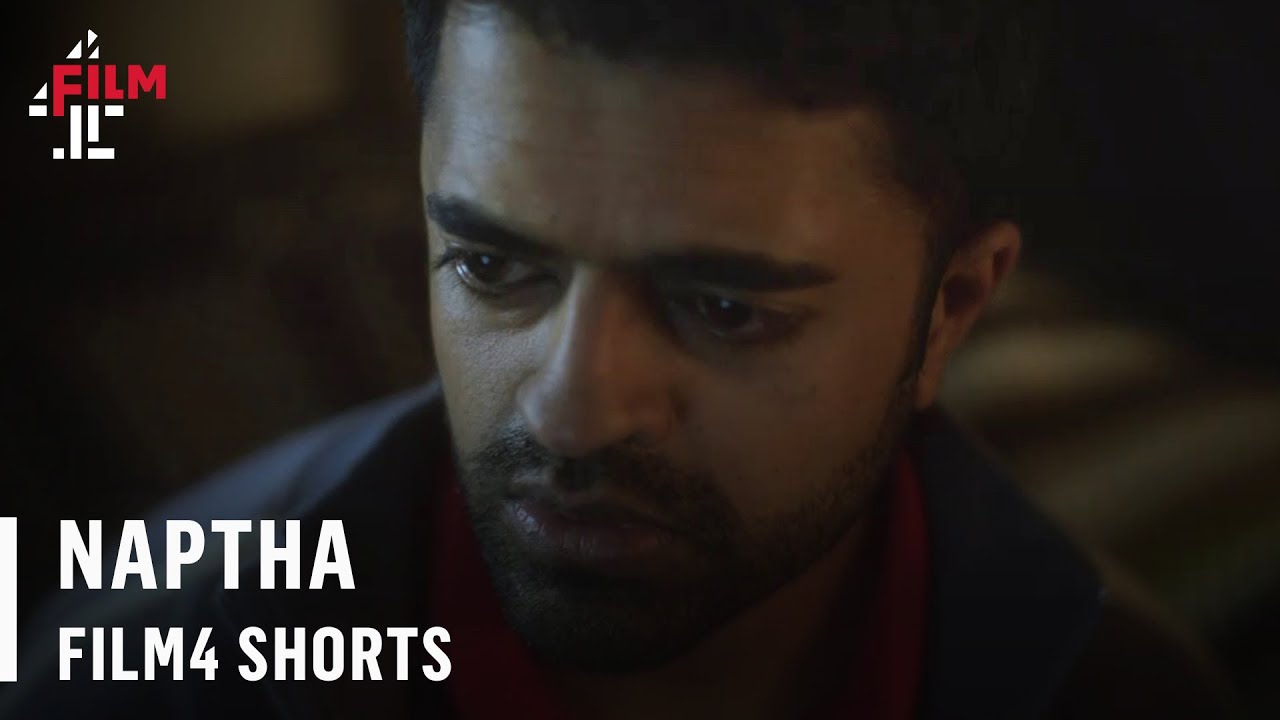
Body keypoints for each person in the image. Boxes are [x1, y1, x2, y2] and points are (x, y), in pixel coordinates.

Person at [5, 1, 1240, 718]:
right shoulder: (118, 680)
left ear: (952, 308)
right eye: (492, 267)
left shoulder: (1120, 694)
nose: (573, 410)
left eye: (722, 307)